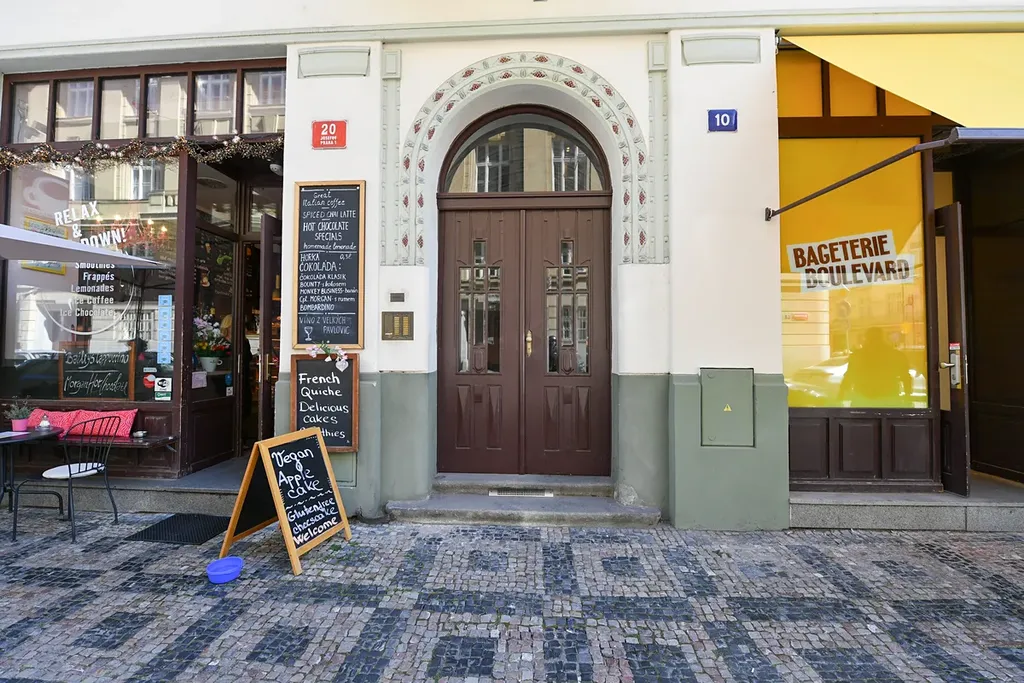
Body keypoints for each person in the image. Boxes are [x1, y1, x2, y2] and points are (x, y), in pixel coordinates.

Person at [839, 327, 913, 407]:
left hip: (862, 397)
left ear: (866, 338)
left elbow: (850, 374)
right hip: (889, 397)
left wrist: (841, 393)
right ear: (883, 338)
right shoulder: (896, 355)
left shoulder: (857, 355)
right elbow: (905, 376)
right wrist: (907, 395)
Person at [220, 314, 253, 417]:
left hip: (243, 376)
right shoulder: (220, 342)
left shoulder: (244, 341)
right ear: (228, 326)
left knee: (245, 402)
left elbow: (248, 357)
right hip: (226, 376)